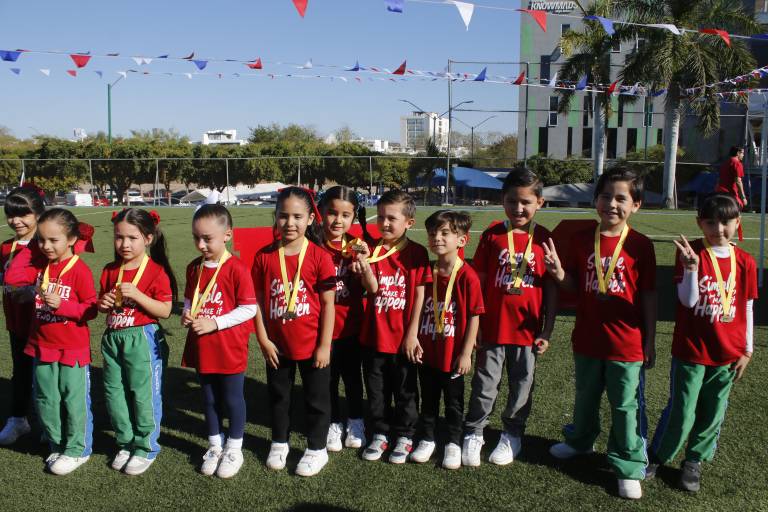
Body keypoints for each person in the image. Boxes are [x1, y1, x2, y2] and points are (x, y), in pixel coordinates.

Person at [543, 167, 657, 500]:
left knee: (624, 407)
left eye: (621, 198)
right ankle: (579, 442)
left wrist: (649, 340)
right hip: (589, 338)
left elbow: (649, 295)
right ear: (595, 200)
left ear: (635, 205)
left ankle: (628, 465)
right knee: (585, 397)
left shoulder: (641, 245)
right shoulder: (581, 240)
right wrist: (560, 273)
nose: (612, 203)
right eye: (605, 196)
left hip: (627, 344)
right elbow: (575, 286)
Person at [646, 194, 757, 492]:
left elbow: (746, 306)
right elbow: (688, 300)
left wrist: (748, 349)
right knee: (682, 411)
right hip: (691, 351)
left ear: (737, 223)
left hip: (728, 353)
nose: (718, 228)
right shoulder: (691, 252)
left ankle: (693, 461)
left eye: (725, 222)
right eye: (710, 222)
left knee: (713, 411)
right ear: (699, 223)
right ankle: (657, 455)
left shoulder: (745, 261)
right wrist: (692, 268)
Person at [462, 169, 557, 467]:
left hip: (527, 331)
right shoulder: (492, 234)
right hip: (492, 328)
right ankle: (475, 431)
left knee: (522, 385)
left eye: (526, 202)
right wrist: (473, 325)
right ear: (503, 201)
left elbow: (551, 291)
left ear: (539, 202)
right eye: (512, 201)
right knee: (484, 384)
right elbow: (477, 282)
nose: (519, 208)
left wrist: (548, 330)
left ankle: (512, 434)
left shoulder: (544, 239)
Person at [5, 208, 98, 475]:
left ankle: (77, 449)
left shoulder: (79, 270)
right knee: (46, 398)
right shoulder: (40, 264)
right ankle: (57, 442)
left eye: (53, 240)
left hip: (71, 348)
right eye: (41, 240)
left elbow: (91, 309)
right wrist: (33, 247)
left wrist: (65, 306)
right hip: (41, 345)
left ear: (71, 239)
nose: (46, 246)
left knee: (73, 400)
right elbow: (12, 278)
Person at [252, 187, 337, 477]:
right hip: (277, 345)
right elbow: (258, 303)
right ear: (275, 217)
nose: (290, 223)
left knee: (317, 399)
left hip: (313, 345)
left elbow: (328, 304)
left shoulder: (319, 257)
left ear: (311, 218)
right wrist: (263, 339)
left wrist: (325, 345)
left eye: (297, 217)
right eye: (283, 216)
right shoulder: (264, 256)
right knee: (279, 397)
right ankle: (279, 441)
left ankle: (317, 448)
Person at [351, 190, 431, 464]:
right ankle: (381, 434)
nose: (384, 223)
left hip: (403, 340)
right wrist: (365, 267)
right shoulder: (370, 250)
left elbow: (420, 295)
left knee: (406, 392)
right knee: (376, 392)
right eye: (381, 217)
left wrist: (412, 334)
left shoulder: (418, 253)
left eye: (391, 218)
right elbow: (372, 290)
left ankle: (406, 435)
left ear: (409, 222)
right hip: (373, 337)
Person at [97, 208, 176, 475]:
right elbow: (104, 306)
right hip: (113, 338)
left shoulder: (155, 271)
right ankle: (125, 442)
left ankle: (146, 446)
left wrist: (139, 295)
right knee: (114, 393)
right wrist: (103, 303)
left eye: (132, 237)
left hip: (142, 337)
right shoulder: (110, 270)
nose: (125, 244)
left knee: (143, 396)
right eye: (119, 238)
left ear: (148, 238)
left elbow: (164, 311)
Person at [182, 204, 257, 479]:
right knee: (209, 399)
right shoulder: (194, 268)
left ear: (227, 235)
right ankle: (215, 445)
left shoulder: (237, 268)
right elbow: (191, 298)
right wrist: (186, 313)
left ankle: (234, 448)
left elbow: (249, 308)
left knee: (232, 399)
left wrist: (215, 322)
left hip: (229, 347)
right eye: (196, 238)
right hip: (202, 346)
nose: (201, 244)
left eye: (207, 238)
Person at [411, 210, 484, 469]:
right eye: (432, 233)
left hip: (452, 354)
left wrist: (466, 353)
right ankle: (427, 439)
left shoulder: (468, 276)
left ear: (462, 240)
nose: (437, 238)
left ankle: (453, 442)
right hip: (428, 349)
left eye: (445, 233)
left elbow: (475, 315)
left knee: (453, 402)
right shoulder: (426, 271)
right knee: (428, 399)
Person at [317, 186, 368, 452]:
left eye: (346, 215)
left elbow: (372, 286)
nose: (338, 220)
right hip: (321, 328)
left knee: (352, 377)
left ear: (353, 216)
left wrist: (364, 266)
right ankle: (334, 422)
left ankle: (356, 419)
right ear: (322, 213)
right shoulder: (311, 246)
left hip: (351, 326)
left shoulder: (360, 247)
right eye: (332, 213)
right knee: (327, 379)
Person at [0, 186, 45, 445]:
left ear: (38, 213)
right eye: (10, 214)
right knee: (21, 371)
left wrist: (32, 292)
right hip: (16, 321)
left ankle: (51, 424)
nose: (15, 220)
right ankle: (18, 420)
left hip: (45, 322)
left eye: (23, 214)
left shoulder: (48, 242)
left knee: (47, 375)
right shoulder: (6, 246)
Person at [716, 146, 747, 241]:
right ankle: (726, 238)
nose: (743, 155)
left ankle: (720, 235)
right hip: (730, 194)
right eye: (742, 153)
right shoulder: (737, 163)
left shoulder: (725, 162)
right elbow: (738, 181)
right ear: (737, 153)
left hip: (719, 192)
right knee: (732, 217)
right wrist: (743, 197)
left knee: (724, 216)